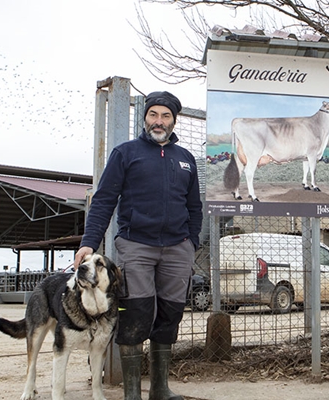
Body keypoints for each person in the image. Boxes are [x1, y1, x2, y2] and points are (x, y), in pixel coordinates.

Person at [74, 91, 203, 400]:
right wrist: (89, 243)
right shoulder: (125, 153)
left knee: (170, 313)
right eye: (153, 114)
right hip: (136, 244)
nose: (159, 121)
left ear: (174, 120)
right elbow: (104, 200)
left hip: (177, 247)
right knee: (135, 311)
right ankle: (132, 392)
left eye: (165, 116)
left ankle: (160, 388)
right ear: (145, 118)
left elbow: (195, 207)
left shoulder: (186, 159)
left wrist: (192, 242)